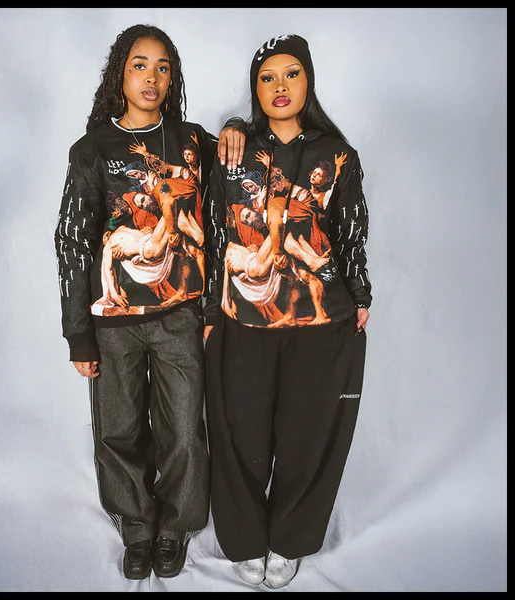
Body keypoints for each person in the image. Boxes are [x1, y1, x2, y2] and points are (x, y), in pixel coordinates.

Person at [54, 24, 245, 581]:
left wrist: (236, 127)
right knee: (118, 429)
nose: (152, 77)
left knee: (183, 429)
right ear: (120, 73)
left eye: (163, 67)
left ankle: (175, 526)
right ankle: (136, 526)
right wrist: (78, 332)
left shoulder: (191, 142)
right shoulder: (92, 150)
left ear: (172, 78)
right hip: (113, 321)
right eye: (140, 65)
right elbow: (73, 242)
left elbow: (240, 161)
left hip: (179, 314)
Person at [203, 34, 372, 589]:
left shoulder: (336, 154)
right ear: (255, 88)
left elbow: (350, 233)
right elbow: (212, 233)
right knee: (239, 434)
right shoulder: (231, 151)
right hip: (242, 319)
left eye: (292, 73)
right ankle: (245, 539)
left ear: (308, 81)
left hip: (319, 323)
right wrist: (208, 310)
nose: (280, 86)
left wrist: (360, 295)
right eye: (268, 76)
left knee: (307, 435)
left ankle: (291, 539)